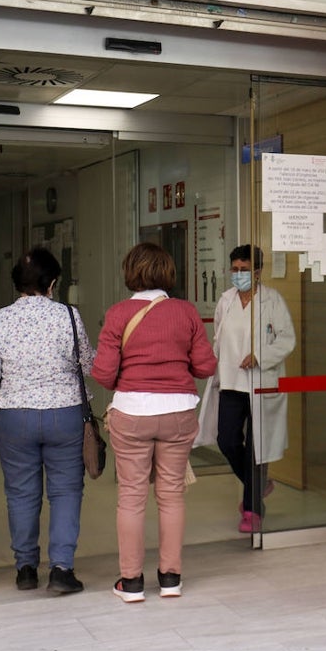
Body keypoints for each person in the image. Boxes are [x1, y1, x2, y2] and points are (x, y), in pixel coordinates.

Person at [92, 242, 217, 602]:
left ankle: (131, 582)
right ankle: (170, 578)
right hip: (178, 413)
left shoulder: (118, 314)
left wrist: (131, 382)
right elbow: (205, 367)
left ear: (130, 273)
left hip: (132, 413)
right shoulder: (186, 312)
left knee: (131, 497)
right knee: (171, 495)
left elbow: (102, 372)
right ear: (168, 273)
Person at [0, 247, 94, 596]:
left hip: (15, 417)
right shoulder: (68, 316)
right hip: (65, 415)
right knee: (66, 490)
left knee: (21, 494)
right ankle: (61, 569)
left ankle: (26, 569)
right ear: (53, 283)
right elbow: (87, 365)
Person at [197, 244, 296, 533]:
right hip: (229, 382)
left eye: (244, 269)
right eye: (235, 269)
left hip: (261, 383)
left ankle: (252, 510)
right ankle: (260, 485)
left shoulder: (272, 300)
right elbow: (217, 337)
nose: (238, 274)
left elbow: (287, 340)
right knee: (227, 440)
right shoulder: (225, 300)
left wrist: (260, 356)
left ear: (257, 271)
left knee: (256, 448)